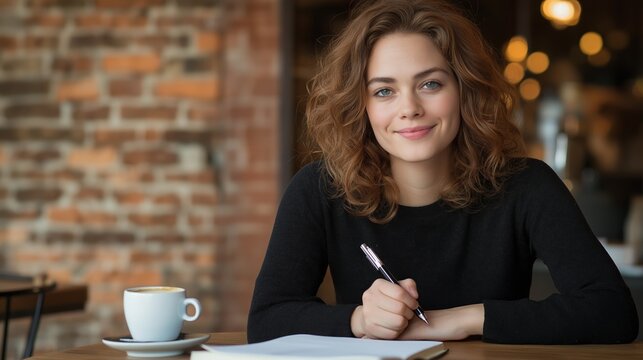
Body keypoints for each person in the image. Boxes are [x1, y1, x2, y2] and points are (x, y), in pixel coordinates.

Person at [247, 0, 638, 344]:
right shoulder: (319, 189)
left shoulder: (526, 186)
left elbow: (611, 311)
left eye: (430, 84)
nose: (410, 108)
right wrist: (360, 320)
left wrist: (457, 321)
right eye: (384, 90)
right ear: (360, 105)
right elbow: (267, 318)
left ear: (465, 89)